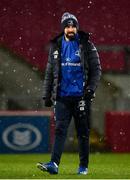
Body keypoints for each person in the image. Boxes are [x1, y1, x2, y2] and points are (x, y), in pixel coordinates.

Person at [37, 12, 101, 175]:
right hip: (62, 97)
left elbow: (96, 70)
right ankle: (54, 164)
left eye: (73, 26)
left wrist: (90, 90)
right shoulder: (56, 46)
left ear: (77, 27)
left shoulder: (87, 45)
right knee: (59, 130)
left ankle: (83, 167)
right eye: (67, 26)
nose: (70, 29)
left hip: (81, 97)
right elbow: (50, 72)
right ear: (63, 28)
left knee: (83, 133)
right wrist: (46, 95)